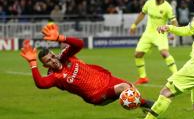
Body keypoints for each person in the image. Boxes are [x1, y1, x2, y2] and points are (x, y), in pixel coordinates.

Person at [20, 23, 153, 109]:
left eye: (52, 57)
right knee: (125, 88)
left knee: (131, 88)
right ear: (44, 65)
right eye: (48, 61)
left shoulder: (64, 56)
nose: (53, 60)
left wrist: (60, 37)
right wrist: (32, 64)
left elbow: (79, 44)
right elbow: (41, 84)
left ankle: (143, 107)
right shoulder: (55, 76)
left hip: (106, 78)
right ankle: (148, 106)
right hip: (96, 94)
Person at [130, 0, 178, 85]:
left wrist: (173, 32)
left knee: (164, 53)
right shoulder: (149, 3)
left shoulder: (167, 7)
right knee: (137, 54)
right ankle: (143, 78)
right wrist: (134, 25)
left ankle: (176, 76)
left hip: (160, 34)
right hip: (148, 33)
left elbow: (173, 21)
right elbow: (142, 14)